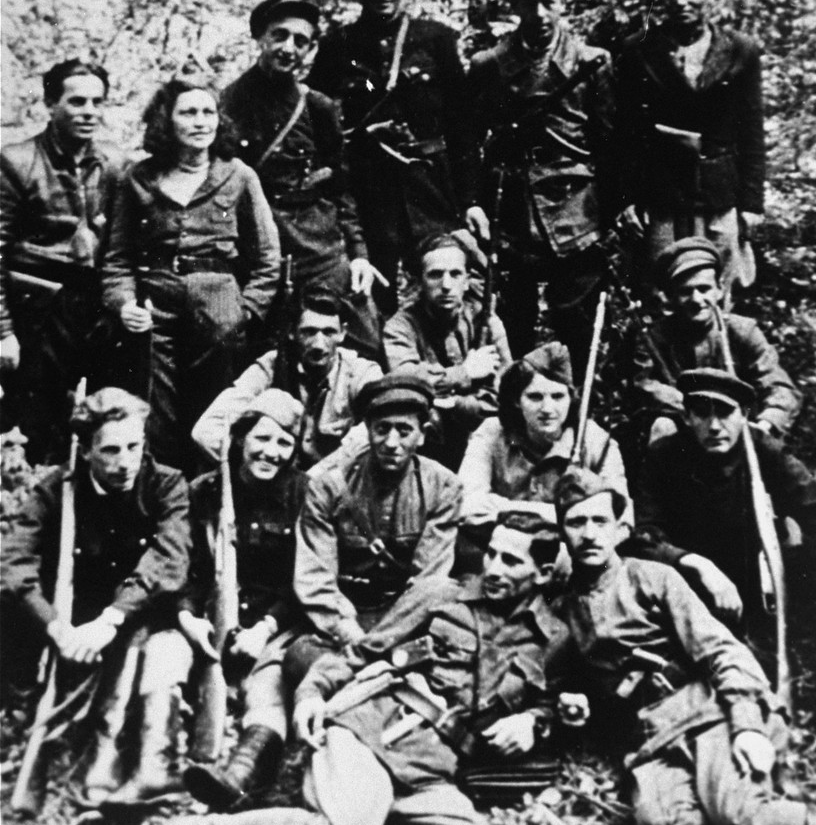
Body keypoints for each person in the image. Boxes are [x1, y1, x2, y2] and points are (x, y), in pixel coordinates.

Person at [130, 514, 566, 825]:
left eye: (511, 561)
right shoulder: (440, 595)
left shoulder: (553, 638)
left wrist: (534, 720)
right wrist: (311, 693)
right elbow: (363, 652)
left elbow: (552, 704)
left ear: (544, 574)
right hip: (371, 730)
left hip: (433, 766)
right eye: (491, 553)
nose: (492, 568)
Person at [551, 469, 816, 825]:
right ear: (562, 533)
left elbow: (722, 650)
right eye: (575, 522)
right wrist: (574, 705)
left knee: (744, 818)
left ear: (621, 528)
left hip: (705, 711)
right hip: (649, 738)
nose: (588, 534)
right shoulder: (561, 609)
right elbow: (565, 685)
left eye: (599, 521)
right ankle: (754, 816)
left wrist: (747, 726)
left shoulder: (653, 577)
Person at [628, 369, 816, 783]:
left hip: (755, 587)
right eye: (700, 412)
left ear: (744, 414)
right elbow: (643, 537)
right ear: (686, 415)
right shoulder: (665, 455)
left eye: (724, 412)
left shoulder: (762, 450)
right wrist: (693, 562)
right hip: (692, 591)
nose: (713, 426)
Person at [1, 388, 192, 809]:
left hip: (131, 613)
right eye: (110, 450)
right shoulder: (55, 492)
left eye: (134, 447)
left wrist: (111, 620)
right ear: (85, 451)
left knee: (150, 637)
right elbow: (12, 563)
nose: (125, 462)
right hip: (71, 622)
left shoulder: (165, 484)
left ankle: (115, 755)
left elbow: (170, 559)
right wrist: (53, 625)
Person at [102, 79, 280, 472]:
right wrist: (124, 304)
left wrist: (244, 312)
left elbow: (269, 259)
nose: (200, 122)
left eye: (208, 112)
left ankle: (212, 502)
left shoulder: (239, 176)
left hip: (219, 305)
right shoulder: (138, 178)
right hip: (156, 305)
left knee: (214, 412)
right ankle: (165, 495)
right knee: (156, 410)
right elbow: (117, 259)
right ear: (167, 122)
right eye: (188, 112)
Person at [465, 0, 619, 380]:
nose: (539, 15)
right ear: (512, 6)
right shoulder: (489, 66)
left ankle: (575, 405)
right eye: (528, 4)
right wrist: (473, 203)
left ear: (562, 1)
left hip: (577, 214)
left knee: (578, 324)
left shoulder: (593, 64)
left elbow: (610, 145)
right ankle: (514, 407)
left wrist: (611, 214)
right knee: (513, 321)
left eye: (548, 3)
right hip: (512, 213)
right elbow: (468, 143)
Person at [308, 0, 475, 311]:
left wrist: (468, 200)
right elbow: (317, 122)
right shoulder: (338, 45)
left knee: (445, 281)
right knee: (374, 288)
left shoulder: (437, 40)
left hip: (431, 185)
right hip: (370, 189)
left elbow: (461, 125)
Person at [221, 0, 381, 358]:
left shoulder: (317, 106)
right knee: (260, 354)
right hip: (260, 251)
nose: (288, 48)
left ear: (310, 50)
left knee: (365, 347)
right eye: (279, 35)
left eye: (301, 41)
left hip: (319, 248)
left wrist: (358, 253)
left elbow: (341, 187)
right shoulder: (227, 104)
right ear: (260, 37)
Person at [285, 369, 461, 683]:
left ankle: (355, 670)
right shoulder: (329, 487)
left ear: (422, 434)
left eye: (404, 430)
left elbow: (427, 580)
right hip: (346, 617)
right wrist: (344, 626)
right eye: (382, 429)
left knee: (442, 592)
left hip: (406, 619)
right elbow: (315, 573)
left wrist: (376, 641)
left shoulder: (443, 487)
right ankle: (372, 671)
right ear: (367, 430)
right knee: (300, 656)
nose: (392, 442)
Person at [180, 390, 308, 811]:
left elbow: (305, 579)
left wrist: (266, 627)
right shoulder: (203, 492)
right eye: (262, 439)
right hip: (208, 622)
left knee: (266, 688)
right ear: (240, 439)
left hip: (276, 624)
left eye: (284, 443)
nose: (271, 453)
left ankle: (239, 777)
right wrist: (187, 617)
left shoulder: (303, 495)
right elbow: (185, 567)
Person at [613, 0, 765, 291]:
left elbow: (752, 130)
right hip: (661, 195)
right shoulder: (638, 50)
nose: (681, 2)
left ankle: (716, 346)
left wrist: (752, 203)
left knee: (718, 289)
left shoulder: (741, 50)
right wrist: (626, 199)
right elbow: (625, 133)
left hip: (718, 195)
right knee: (663, 288)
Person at [0, 58, 125, 462]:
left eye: (97, 102)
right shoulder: (16, 161)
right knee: (33, 425)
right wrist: (3, 332)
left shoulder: (114, 165)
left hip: (93, 309)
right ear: (51, 104)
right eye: (76, 101)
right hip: (35, 312)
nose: (89, 111)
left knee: (99, 419)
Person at [457, 341, 629, 572]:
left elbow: (622, 519)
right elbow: (466, 504)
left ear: (571, 398)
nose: (548, 408)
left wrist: (503, 508)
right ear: (517, 400)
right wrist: (567, 515)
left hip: (570, 560)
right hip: (500, 556)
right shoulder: (491, 432)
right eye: (535, 397)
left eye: (558, 396)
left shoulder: (596, 441)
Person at [192, 287, 382, 473]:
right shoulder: (272, 366)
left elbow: (377, 430)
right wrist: (258, 466)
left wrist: (318, 478)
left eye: (328, 332)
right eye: (308, 332)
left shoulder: (361, 372)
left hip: (332, 485)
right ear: (291, 332)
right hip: (278, 484)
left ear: (343, 333)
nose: (318, 344)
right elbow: (206, 431)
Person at [632, 238, 800, 443]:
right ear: (671, 296)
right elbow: (641, 384)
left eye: (704, 289)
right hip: (683, 432)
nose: (696, 299)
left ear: (719, 289)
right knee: (663, 428)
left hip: (736, 430)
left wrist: (766, 423)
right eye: (686, 291)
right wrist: (688, 406)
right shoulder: (655, 337)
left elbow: (779, 386)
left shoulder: (742, 332)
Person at [383, 232, 511, 469]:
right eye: (435, 275)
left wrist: (455, 403)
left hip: (478, 433)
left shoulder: (486, 322)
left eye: (455, 274)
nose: (446, 285)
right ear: (420, 281)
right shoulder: (400, 327)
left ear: (466, 280)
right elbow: (405, 382)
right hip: (428, 438)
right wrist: (464, 373)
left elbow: (506, 393)